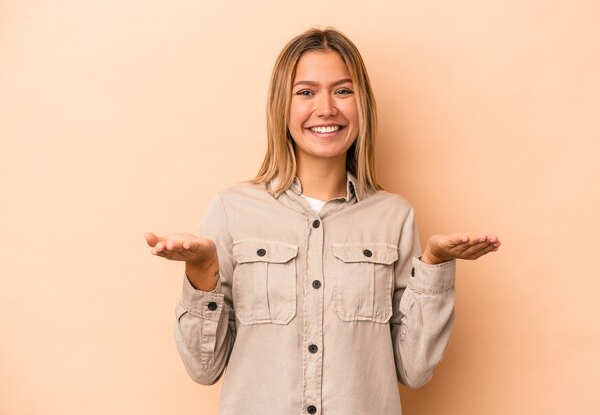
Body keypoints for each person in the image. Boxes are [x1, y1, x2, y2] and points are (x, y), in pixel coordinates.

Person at [145, 27, 500, 415]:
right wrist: (201, 271)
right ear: (282, 106)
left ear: (362, 104)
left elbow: (414, 370)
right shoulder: (232, 211)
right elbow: (203, 368)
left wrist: (433, 266)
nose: (327, 108)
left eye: (343, 90)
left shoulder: (394, 216)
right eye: (306, 92)